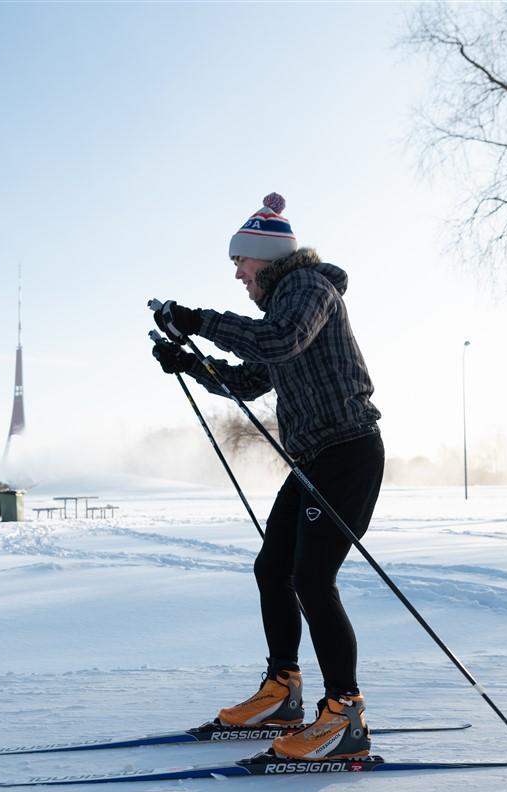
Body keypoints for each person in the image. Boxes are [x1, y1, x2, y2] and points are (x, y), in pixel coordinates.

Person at [151, 192, 384, 760]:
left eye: (241, 262)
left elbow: (279, 341)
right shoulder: (283, 309)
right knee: (273, 567)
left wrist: (198, 321)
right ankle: (283, 693)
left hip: (348, 452)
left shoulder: (308, 289)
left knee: (311, 578)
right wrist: (191, 361)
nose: (237, 274)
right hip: (316, 459)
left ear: (264, 256)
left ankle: (345, 715)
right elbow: (252, 379)